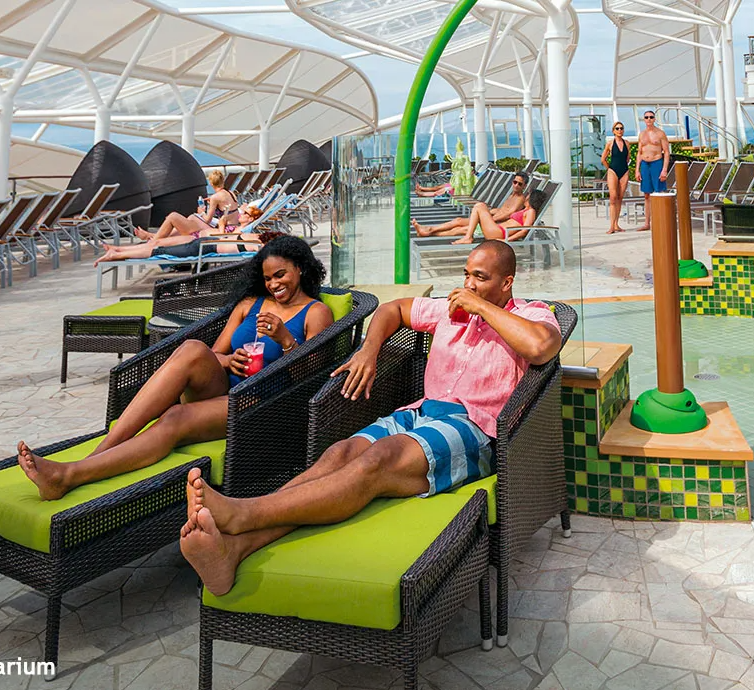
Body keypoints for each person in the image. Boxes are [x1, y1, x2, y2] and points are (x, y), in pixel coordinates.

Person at [178, 240, 562, 596]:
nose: (468, 284)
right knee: (340, 455)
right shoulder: (447, 310)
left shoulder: (531, 313)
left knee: (378, 460)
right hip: (420, 412)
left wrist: (481, 307)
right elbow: (391, 309)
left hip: (474, 426)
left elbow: (542, 347)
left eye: (480, 277)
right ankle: (236, 548)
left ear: (507, 282)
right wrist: (369, 352)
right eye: (466, 274)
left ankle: (244, 512)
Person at [17, 236, 335, 501]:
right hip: (223, 387)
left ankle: (71, 475)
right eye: (267, 278)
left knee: (174, 416)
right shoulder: (249, 304)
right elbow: (215, 354)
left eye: (281, 275)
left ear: (301, 268)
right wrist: (228, 360)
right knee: (192, 349)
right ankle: (104, 450)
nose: (273, 284)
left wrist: (285, 338)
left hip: (261, 403)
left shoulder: (315, 312)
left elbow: (312, 376)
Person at [94, 205, 266, 266]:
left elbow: (225, 238)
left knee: (158, 244)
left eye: (245, 213)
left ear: (251, 218)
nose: (241, 213)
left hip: (198, 240)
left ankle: (121, 250)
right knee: (159, 242)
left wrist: (222, 223)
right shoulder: (241, 227)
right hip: (199, 237)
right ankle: (119, 248)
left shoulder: (244, 231)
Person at [410, 172, 530, 238]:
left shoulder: (520, 199)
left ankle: (429, 231)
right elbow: (503, 210)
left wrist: (488, 218)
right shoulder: (511, 196)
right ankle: (429, 230)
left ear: (524, 186)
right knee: (458, 221)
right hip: (492, 219)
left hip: (494, 223)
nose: (516, 185)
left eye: (520, 184)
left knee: (460, 228)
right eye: (515, 182)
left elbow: (508, 214)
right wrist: (491, 212)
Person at [412, 189, 548, 244]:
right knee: (460, 228)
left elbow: (525, 230)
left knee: (479, 206)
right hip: (497, 229)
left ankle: (468, 237)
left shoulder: (530, 212)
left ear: (532, 198)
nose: (526, 196)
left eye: (529, 195)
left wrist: (507, 241)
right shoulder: (526, 210)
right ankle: (428, 233)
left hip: (500, 233)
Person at [135, 170, 239, 242]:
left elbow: (207, 220)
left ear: (211, 183)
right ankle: (152, 236)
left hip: (225, 229)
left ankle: (153, 239)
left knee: (183, 217)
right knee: (190, 219)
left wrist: (201, 212)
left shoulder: (216, 197)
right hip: (231, 227)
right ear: (222, 181)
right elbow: (229, 209)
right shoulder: (230, 193)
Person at [633, 110, 671, 231]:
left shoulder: (660, 134)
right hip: (645, 164)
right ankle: (647, 223)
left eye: (651, 117)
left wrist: (664, 170)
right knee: (646, 195)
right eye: (646, 117)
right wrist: (637, 170)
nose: (649, 119)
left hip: (656, 163)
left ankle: (661, 221)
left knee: (659, 193)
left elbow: (666, 153)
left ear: (654, 119)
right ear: (643, 119)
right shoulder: (642, 134)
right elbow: (639, 153)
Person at [601, 122, 630, 235]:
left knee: (620, 198)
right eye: (617, 128)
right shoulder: (610, 143)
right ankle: (611, 226)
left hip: (624, 171)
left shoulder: (627, 143)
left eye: (621, 128)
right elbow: (603, 159)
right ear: (613, 131)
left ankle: (617, 224)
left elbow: (627, 158)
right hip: (613, 171)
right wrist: (610, 169)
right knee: (613, 198)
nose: (619, 130)